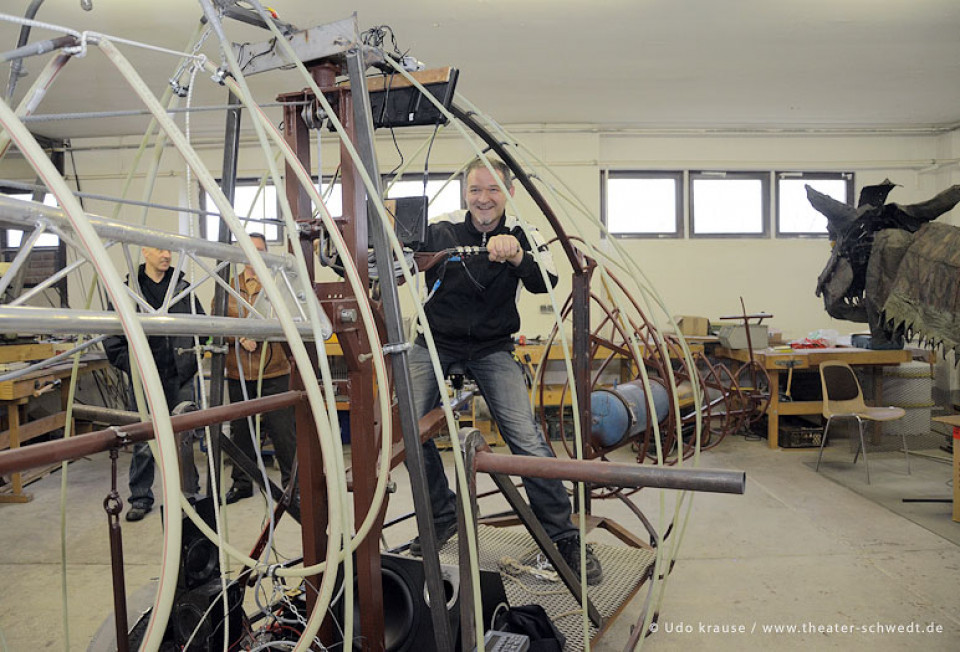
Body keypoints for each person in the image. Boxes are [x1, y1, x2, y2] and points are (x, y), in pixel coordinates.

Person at [408, 157, 602, 585]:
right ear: (464, 194)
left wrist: (517, 258)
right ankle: (444, 516)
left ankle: (563, 536)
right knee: (407, 426)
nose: (483, 199)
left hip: (494, 348)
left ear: (509, 194)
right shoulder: (440, 230)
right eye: (475, 190)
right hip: (435, 342)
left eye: (493, 190)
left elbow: (547, 280)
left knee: (527, 440)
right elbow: (397, 266)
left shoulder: (521, 233)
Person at [104, 247, 203, 522]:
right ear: (144, 251)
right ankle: (140, 496)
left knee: (184, 438)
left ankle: (189, 494)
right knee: (145, 439)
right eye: (159, 250)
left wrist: (192, 361)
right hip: (145, 380)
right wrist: (137, 368)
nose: (166, 255)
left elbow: (204, 330)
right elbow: (113, 342)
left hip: (179, 376)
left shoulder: (181, 290)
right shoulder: (127, 293)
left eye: (168, 249)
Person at [220, 233, 297, 504]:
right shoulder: (227, 288)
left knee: (283, 433)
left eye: (261, 250)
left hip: (275, 371)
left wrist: (262, 334)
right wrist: (239, 336)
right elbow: (214, 328)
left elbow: (291, 323)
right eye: (250, 251)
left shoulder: (278, 287)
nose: (256, 256)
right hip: (239, 372)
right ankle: (242, 483)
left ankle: (292, 486)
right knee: (241, 432)